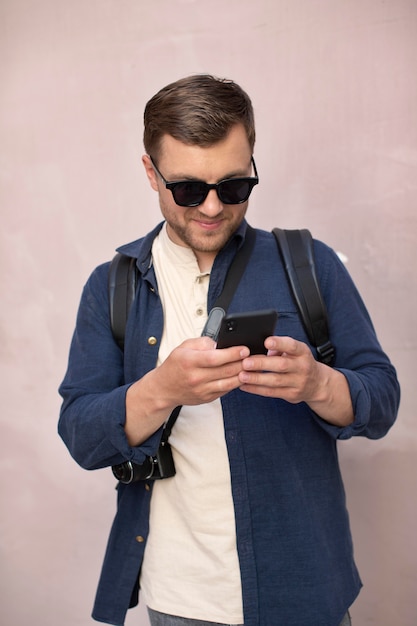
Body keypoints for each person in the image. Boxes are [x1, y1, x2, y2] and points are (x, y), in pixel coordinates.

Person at [58, 74, 400, 626]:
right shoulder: (111, 286)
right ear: (151, 173)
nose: (214, 207)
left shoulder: (309, 263)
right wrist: (162, 389)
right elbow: (80, 433)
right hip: (180, 598)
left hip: (305, 585)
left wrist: (319, 385)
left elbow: (382, 400)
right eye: (190, 189)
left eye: (235, 186)